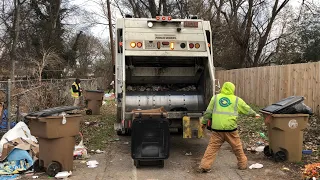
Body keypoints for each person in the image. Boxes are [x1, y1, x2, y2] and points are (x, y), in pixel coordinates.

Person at [198, 82, 260, 173]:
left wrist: (203, 123)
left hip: (217, 130)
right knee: (237, 147)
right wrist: (254, 114)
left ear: (222, 88)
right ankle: (242, 164)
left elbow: (208, 112)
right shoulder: (236, 100)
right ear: (233, 89)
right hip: (231, 130)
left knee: (212, 148)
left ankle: (205, 166)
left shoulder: (215, 98)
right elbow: (246, 108)